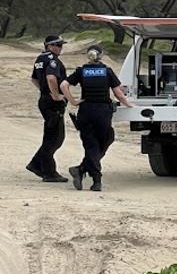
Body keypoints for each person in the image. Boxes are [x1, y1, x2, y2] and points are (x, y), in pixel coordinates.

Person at [65, 44, 133, 191]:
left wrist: (73, 101)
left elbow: (64, 85)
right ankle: (95, 179)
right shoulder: (107, 71)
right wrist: (128, 105)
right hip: (102, 112)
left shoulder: (81, 71)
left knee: (91, 145)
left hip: (85, 111)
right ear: (100, 55)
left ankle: (82, 170)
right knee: (104, 141)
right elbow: (118, 93)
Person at [27, 35, 70, 182]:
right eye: (57, 45)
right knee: (54, 138)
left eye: (61, 45)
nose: (60, 47)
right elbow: (51, 78)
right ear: (49, 46)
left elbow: (34, 79)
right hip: (52, 103)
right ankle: (47, 171)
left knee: (53, 137)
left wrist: (44, 92)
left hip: (45, 100)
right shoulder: (51, 59)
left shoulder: (40, 58)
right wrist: (55, 95)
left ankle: (37, 165)